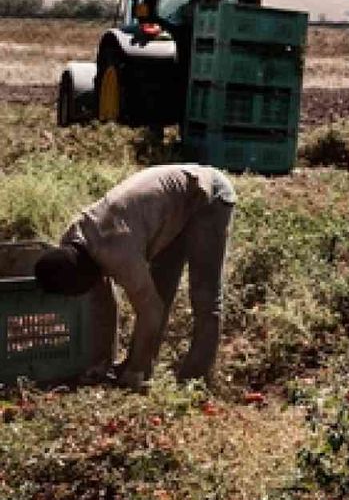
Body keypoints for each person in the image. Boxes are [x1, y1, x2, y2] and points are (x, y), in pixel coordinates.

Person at [32, 164, 238, 388]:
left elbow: (151, 312)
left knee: (204, 295)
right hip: (170, 207)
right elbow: (104, 303)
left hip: (206, 196)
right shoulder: (73, 240)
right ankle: (139, 365)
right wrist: (102, 362)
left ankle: (195, 378)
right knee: (159, 289)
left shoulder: (118, 253)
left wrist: (134, 371)